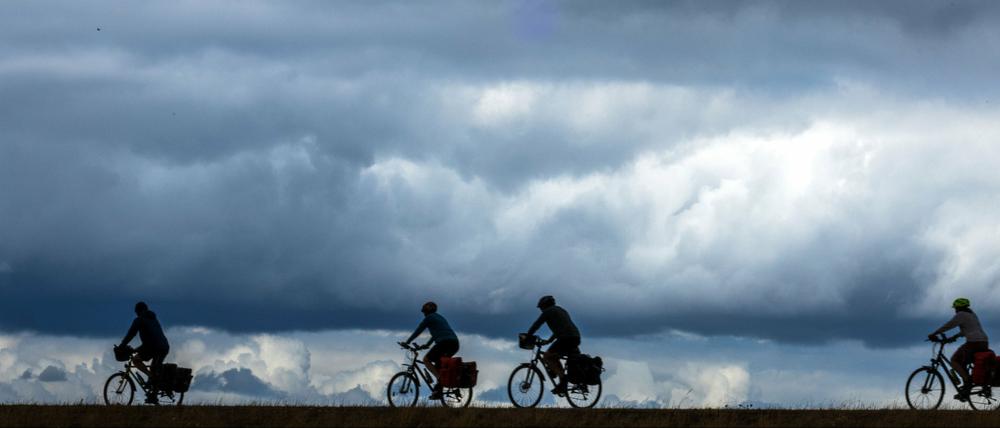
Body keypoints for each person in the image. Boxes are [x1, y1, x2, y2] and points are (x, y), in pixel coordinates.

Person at [929, 297, 990, 400]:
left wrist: (934, 333)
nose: (955, 310)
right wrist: (954, 337)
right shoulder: (972, 314)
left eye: (955, 308)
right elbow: (968, 330)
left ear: (958, 307)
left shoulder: (961, 315)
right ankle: (967, 386)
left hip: (974, 343)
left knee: (954, 360)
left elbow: (949, 325)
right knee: (963, 362)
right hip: (984, 342)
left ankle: (967, 382)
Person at [400, 301, 460, 400]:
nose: (424, 314)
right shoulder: (439, 317)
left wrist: (407, 342)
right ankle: (438, 391)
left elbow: (419, 330)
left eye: (424, 312)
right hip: (454, 343)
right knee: (438, 365)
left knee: (426, 360)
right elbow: (437, 334)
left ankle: (441, 379)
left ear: (426, 311)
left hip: (444, 343)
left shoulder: (429, 318)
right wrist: (427, 345)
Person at [525, 295, 581, 397]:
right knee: (554, 357)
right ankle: (561, 383)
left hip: (566, 338)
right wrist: (549, 341)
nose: (541, 310)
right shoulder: (561, 310)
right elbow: (561, 328)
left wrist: (528, 335)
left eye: (541, 307)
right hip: (575, 337)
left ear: (545, 305)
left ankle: (563, 380)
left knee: (546, 356)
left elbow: (536, 325)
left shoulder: (548, 311)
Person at [119, 301, 170, 404]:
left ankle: (151, 380)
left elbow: (131, 334)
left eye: (136, 312)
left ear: (138, 311)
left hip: (154, 347)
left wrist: (122, 345)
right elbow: (151, 338)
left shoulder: (139, 320)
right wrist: (136, 349)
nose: (136, 314)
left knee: (136, 360)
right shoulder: (153, 319)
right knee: (153, 367)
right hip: (163, 347)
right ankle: (153, 393)